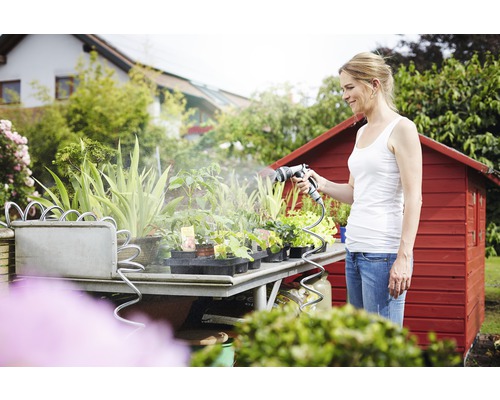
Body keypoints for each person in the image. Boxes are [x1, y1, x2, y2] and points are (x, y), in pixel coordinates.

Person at [294, 52, 422, 327]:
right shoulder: (361, 133)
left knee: (382, 350)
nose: (344, 96)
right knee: (361, 345)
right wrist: (322, 182)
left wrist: (404, 258)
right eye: (343, 89)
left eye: (349, 87)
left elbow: (414, 198)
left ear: (374, 85)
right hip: (354, 251)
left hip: (383, 254)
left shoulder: (402, 129)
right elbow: (354, 194)